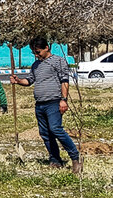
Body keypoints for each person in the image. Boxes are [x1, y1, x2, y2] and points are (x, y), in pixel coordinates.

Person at [9, 37, 81, 174]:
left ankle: (75, 157)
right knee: (45, 133)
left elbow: (64, 81)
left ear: (46, 48)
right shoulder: (36, 65)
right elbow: (30, 81)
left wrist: (63, 99)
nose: (36, 55)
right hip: (40, 104)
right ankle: (55, 160)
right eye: (34, 53)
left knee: (56, 129)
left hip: (54, 102)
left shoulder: (58, 61)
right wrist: (18, 81)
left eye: (38, 52)